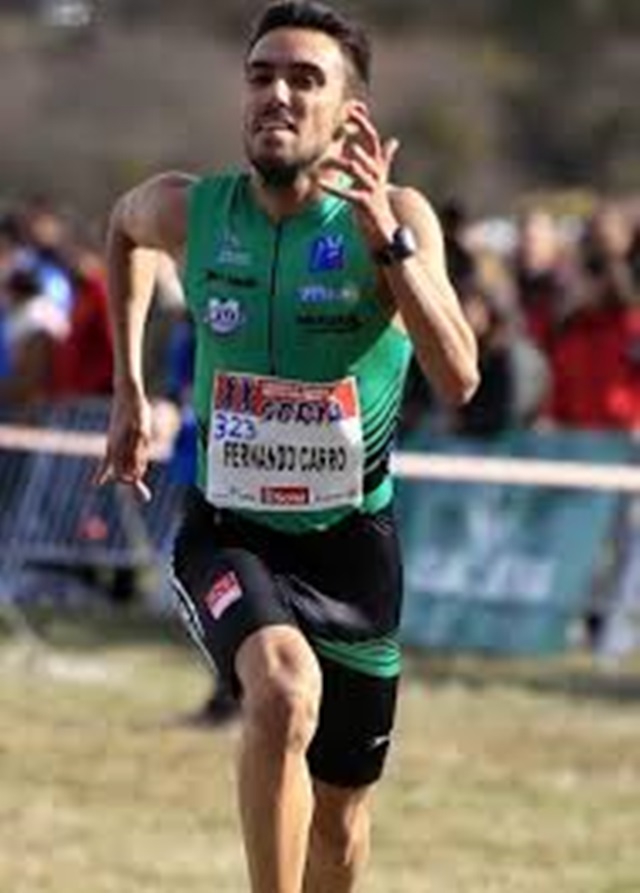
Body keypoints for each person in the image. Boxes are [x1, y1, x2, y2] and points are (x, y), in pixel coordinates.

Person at [96, 3, 479, 891]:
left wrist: (391, 245)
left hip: (354, 549)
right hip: (230, 528)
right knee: (279, 687)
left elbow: (459, 377)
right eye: (262, 75)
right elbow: (121, 228)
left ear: (351, 113)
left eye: (304, 79)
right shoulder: (195, 210)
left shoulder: (395, 220)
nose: (276, 93)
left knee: (341, 829)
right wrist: (128, 386)